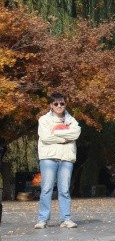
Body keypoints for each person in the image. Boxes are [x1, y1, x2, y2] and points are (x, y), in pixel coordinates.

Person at [35, 93, 81, 229]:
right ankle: (43, 219)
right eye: (56, 103)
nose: (59, 106)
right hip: (48, 158)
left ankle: (66, 219)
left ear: (65, 104)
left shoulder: (71, 120)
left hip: (66, 158)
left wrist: (55, 132)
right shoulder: (44, 120)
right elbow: (45, 137)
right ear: (51, 105)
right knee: (46, 189)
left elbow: (76, 133)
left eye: (62, 103)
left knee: (65, 190)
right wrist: (64, 138)